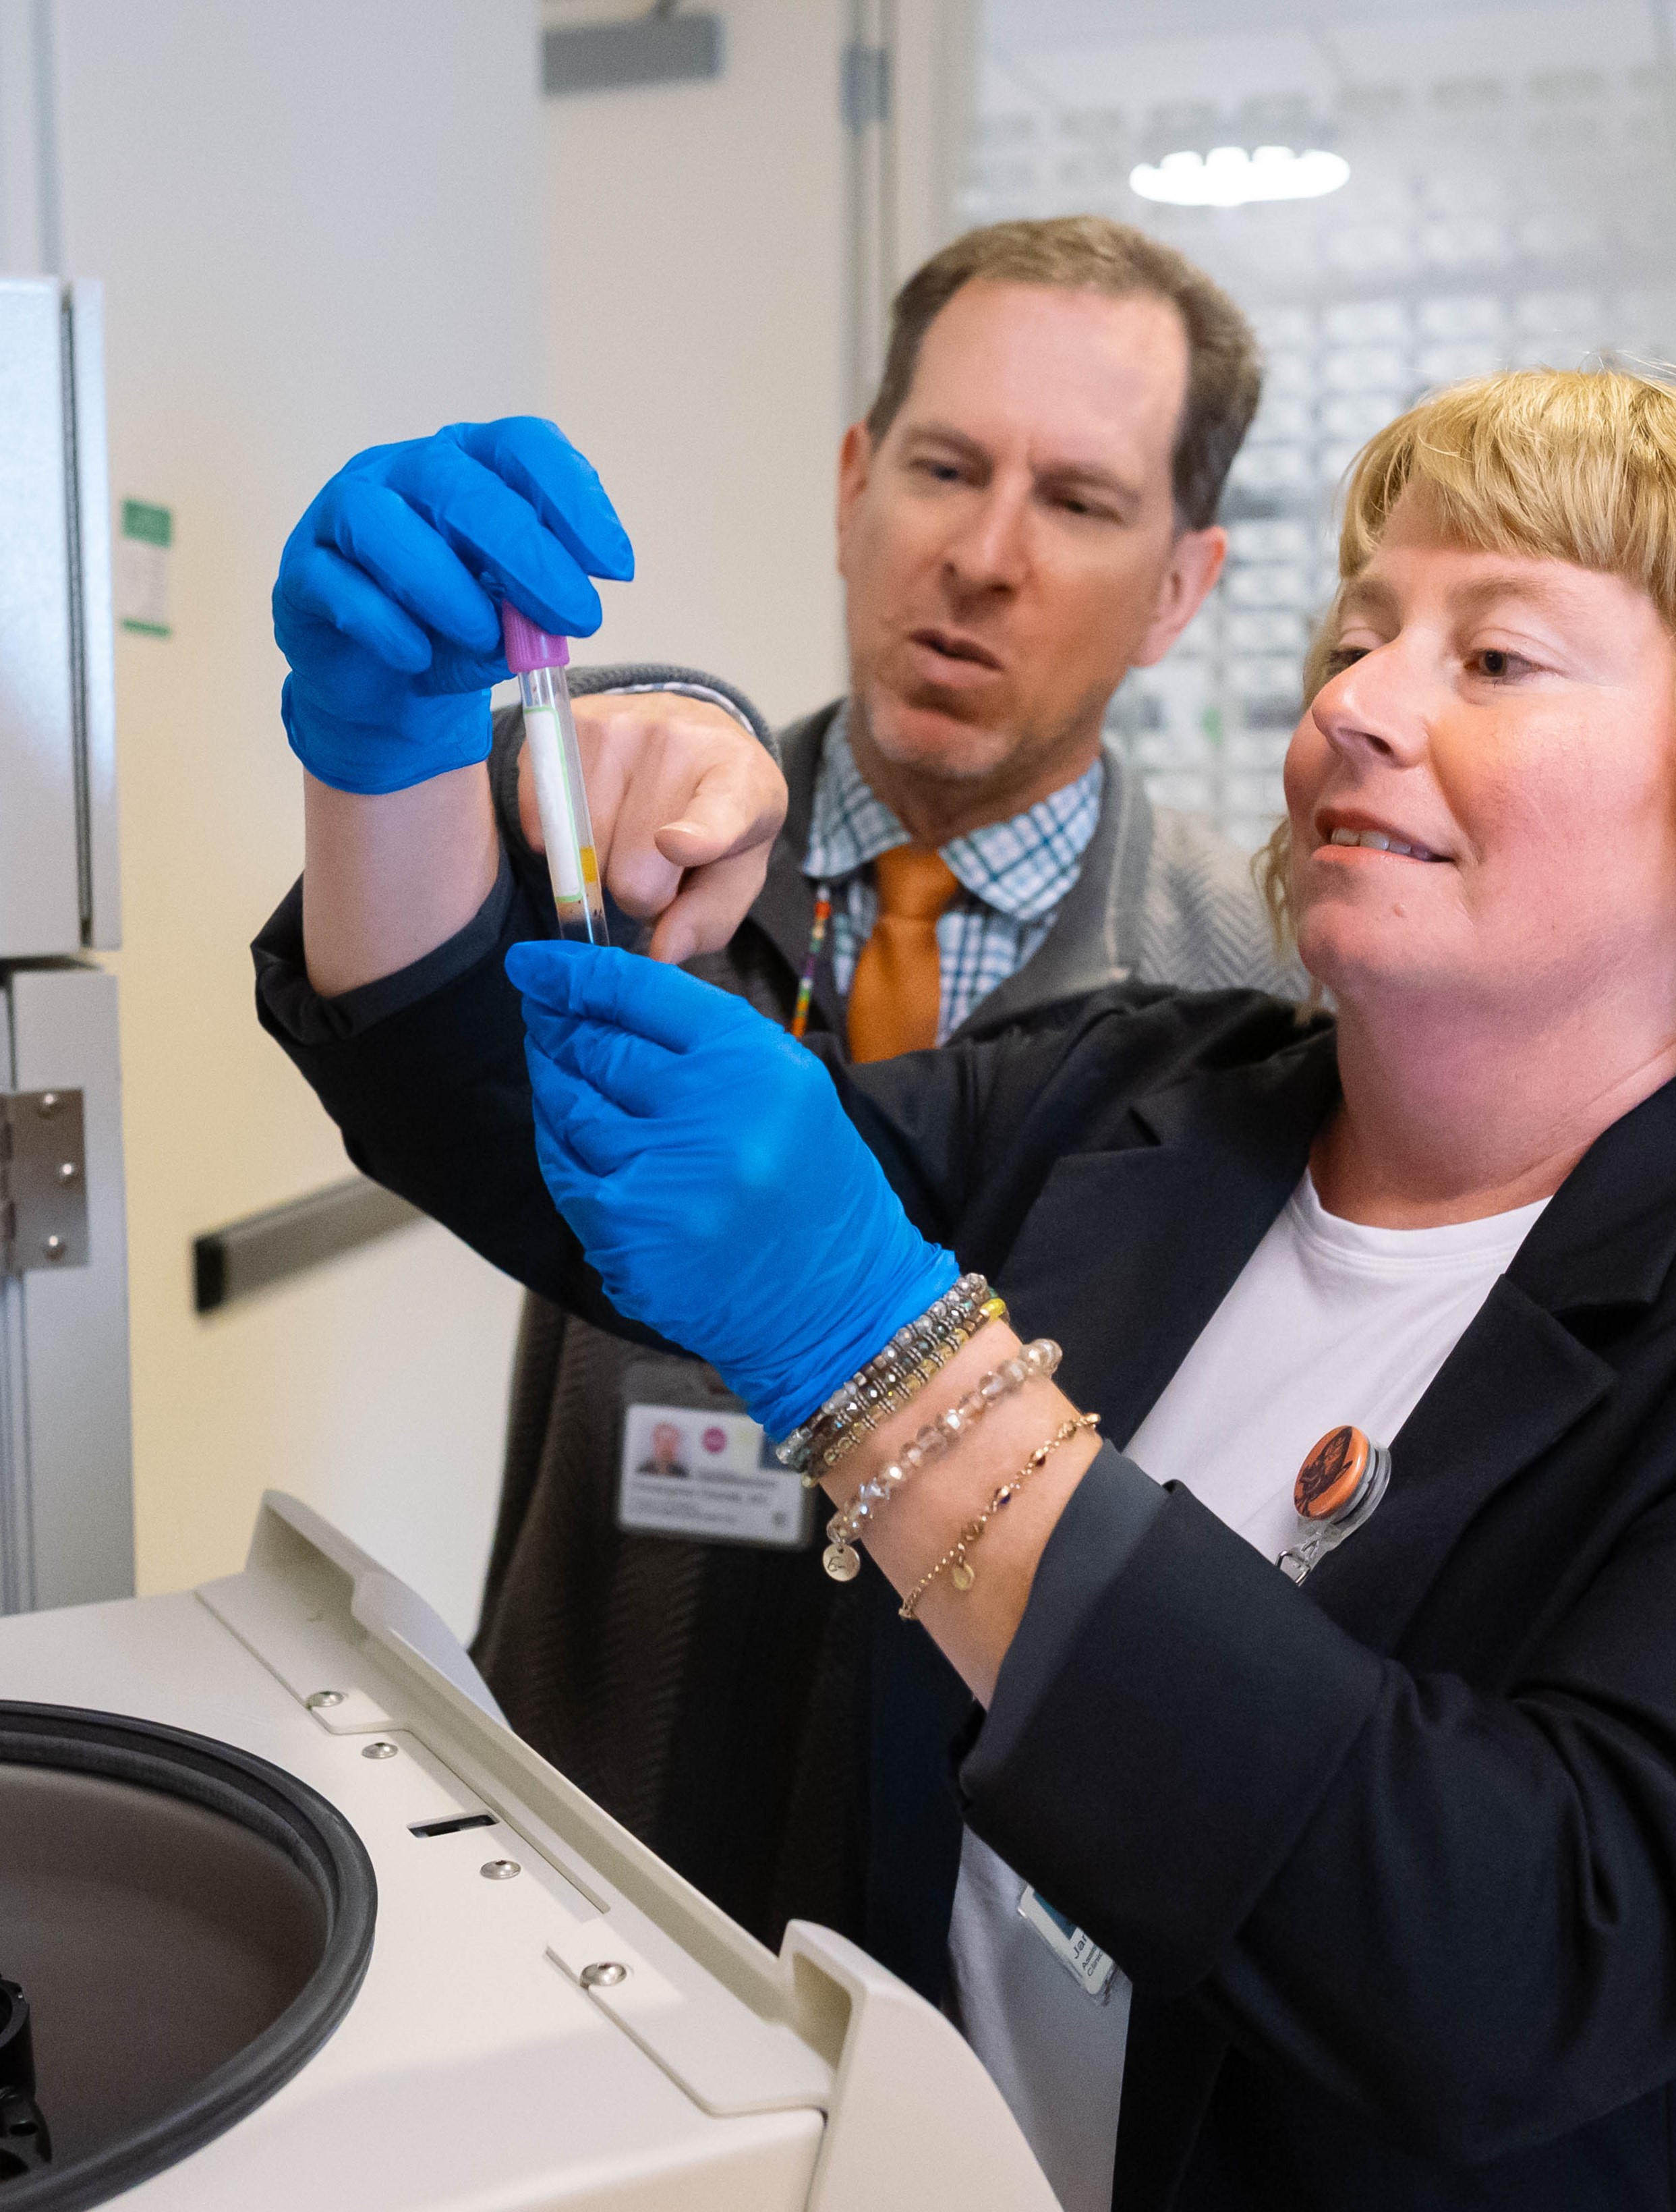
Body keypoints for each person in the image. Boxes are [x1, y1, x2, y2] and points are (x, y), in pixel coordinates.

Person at [258, 366, 1676, 2210]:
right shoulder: (1135, 1102)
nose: (1355, 706)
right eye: (1357, 639)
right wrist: (410, 769)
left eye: (1492, 656)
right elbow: (570, 1165)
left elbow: (1503, 1957)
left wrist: (887, 1364)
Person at [268, 215, 1296, 1882]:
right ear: (851, 484)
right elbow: (415, 1031)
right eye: (945, 467)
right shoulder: (627, 832)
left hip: (998, 1904)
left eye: (1080, 501)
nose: (983, 553)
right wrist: (385, 755)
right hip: (592, 1815)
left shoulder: (1248, 992)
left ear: (1181, 582)